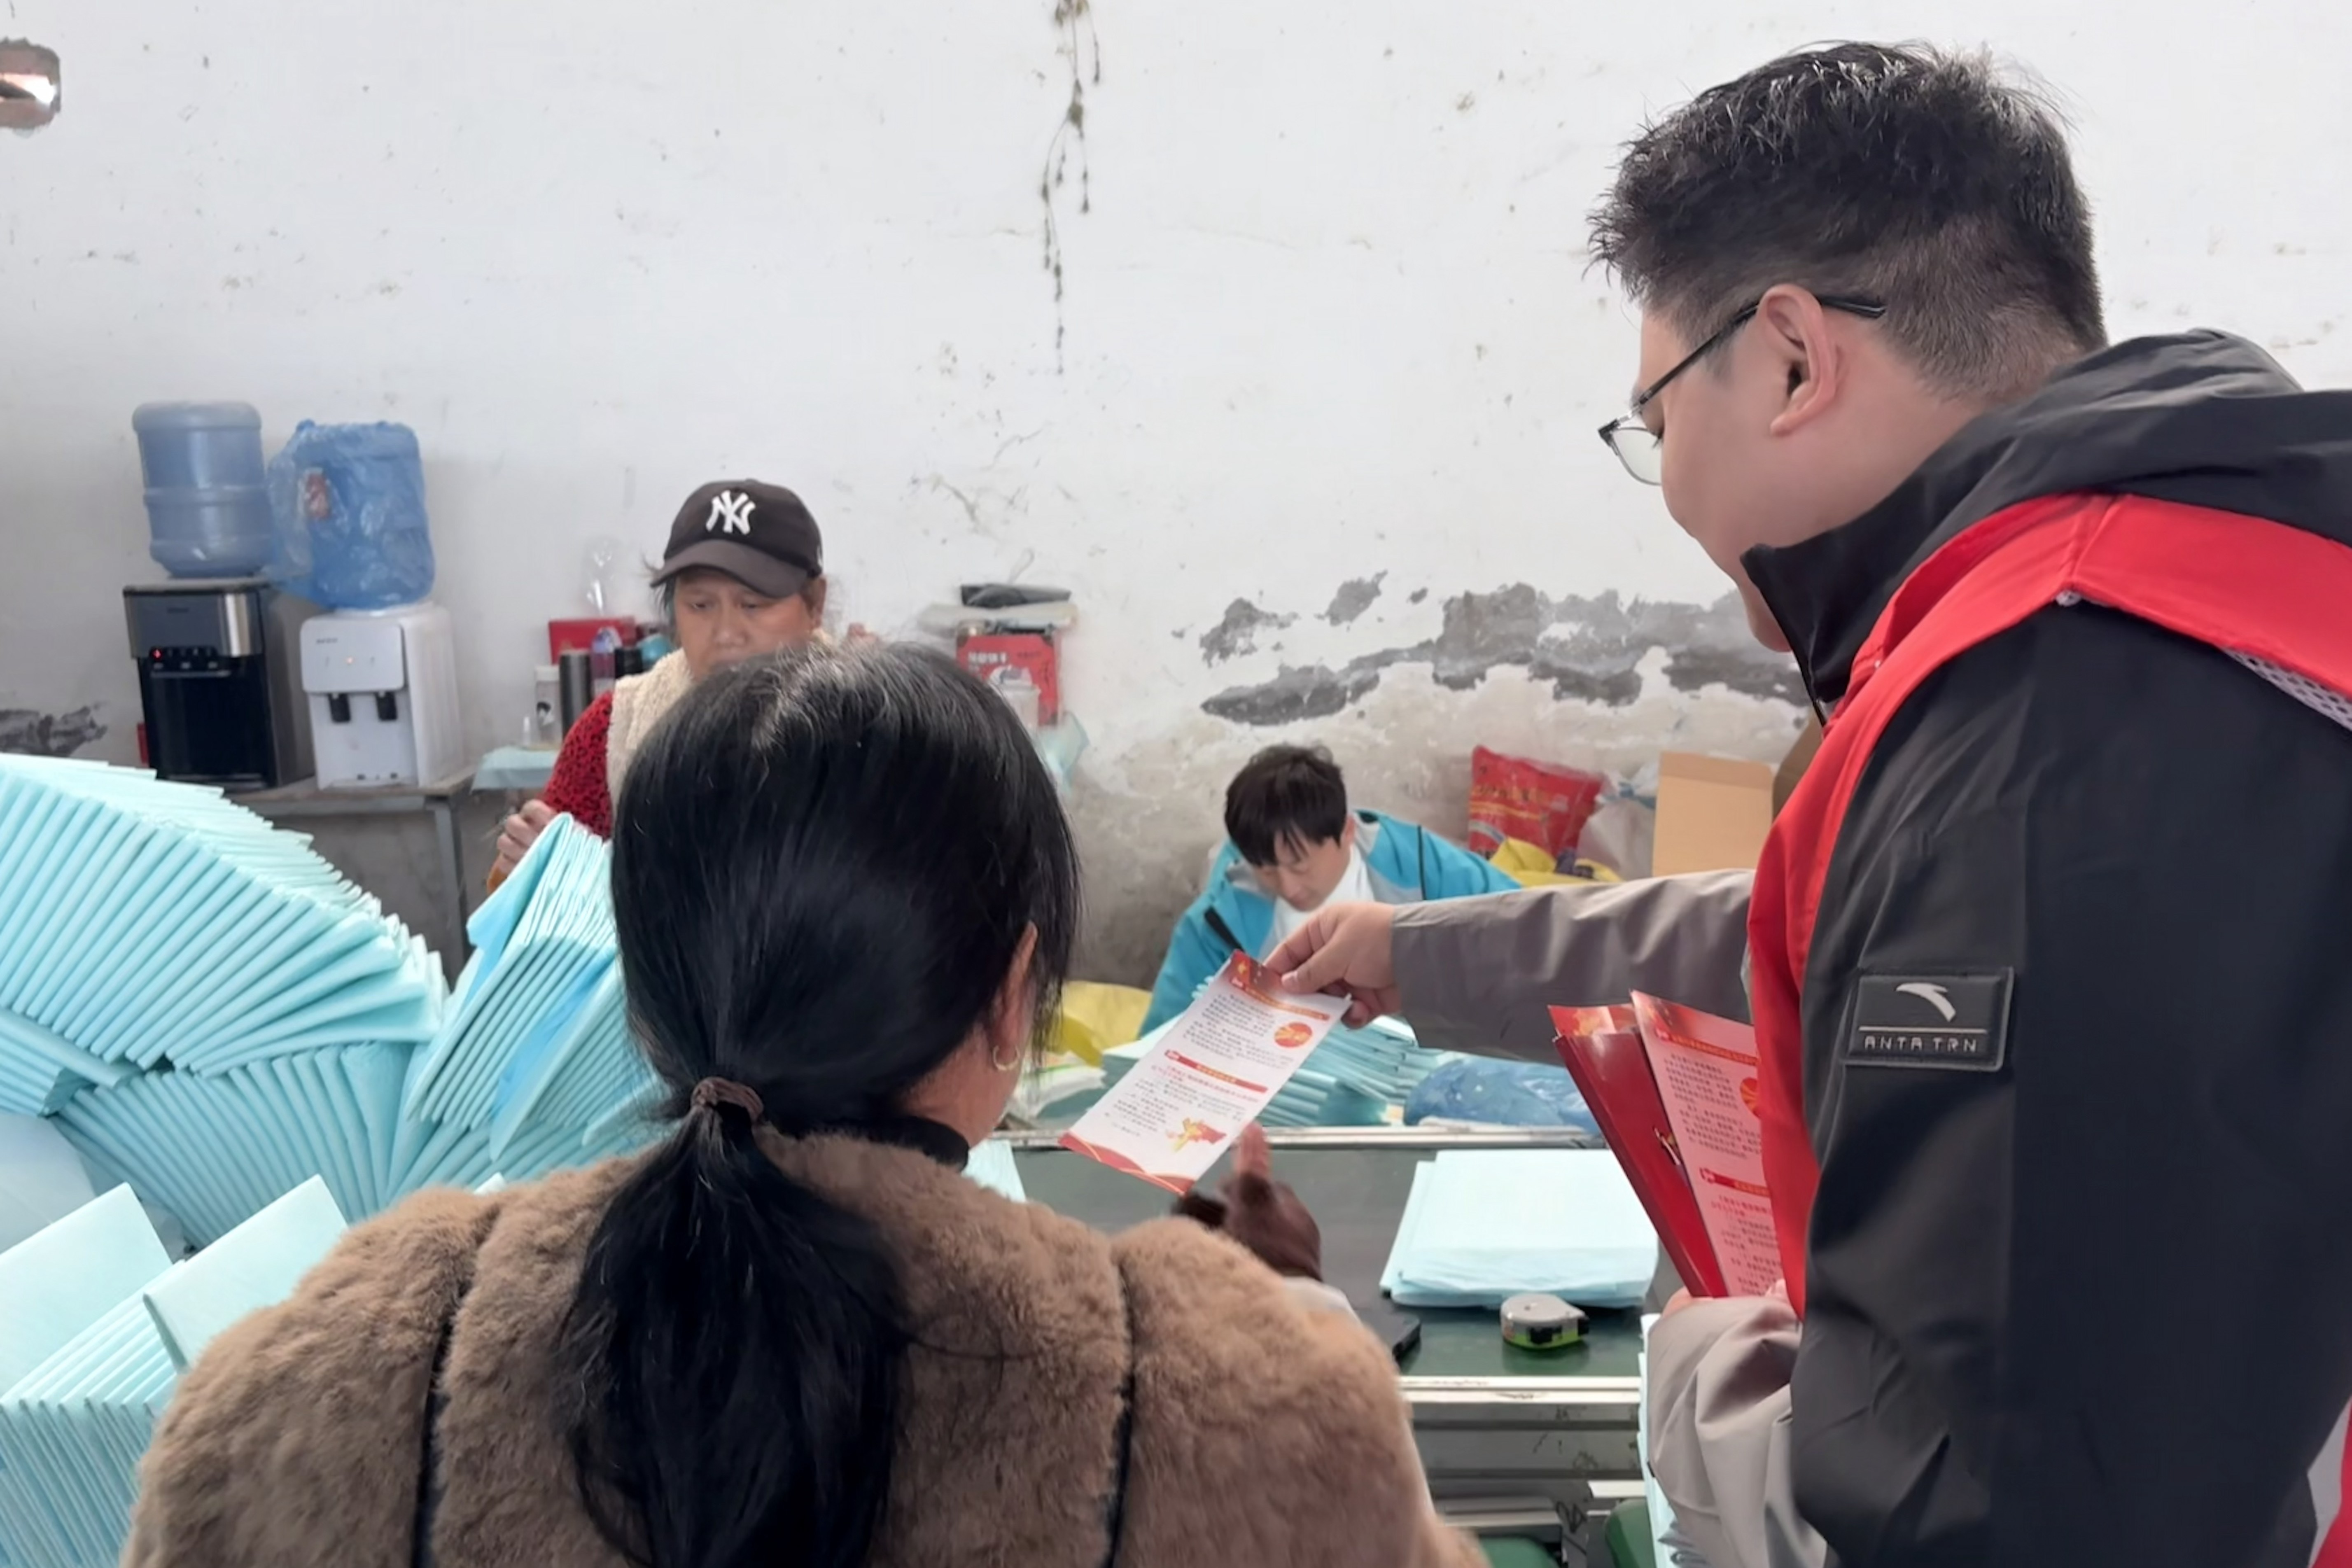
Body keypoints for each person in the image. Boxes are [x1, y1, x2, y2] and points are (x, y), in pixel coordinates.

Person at [1272, 42, 2352, 1568]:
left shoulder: (2039, 729)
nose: (1664, 481)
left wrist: (1699, 1370)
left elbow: (1994, 1516)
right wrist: (1425, 954)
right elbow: (1840, 914)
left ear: (1788, 358)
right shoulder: (2196, 599)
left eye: (1656, 420)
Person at [128, 643, 1482, 1568]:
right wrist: (1291, 1321)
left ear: (649, 996)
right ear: (1013, 994)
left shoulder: (333, 1385)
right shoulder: (1226, 1405)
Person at [490, 478, 829, 884]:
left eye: (753, 605)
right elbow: (530, 888)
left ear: (815, 605)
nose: (726, 633)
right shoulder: (617, 728)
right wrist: (534, 869)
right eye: (700, 605)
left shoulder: (868, 723)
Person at [1141, 743, 1518, 1032]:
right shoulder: (1216, 926)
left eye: (1300, 865)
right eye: (1266, 871)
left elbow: (1521, 927)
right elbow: (1160, 1040)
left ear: (1347, 832)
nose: (1288, 887)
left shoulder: (1419, 866)